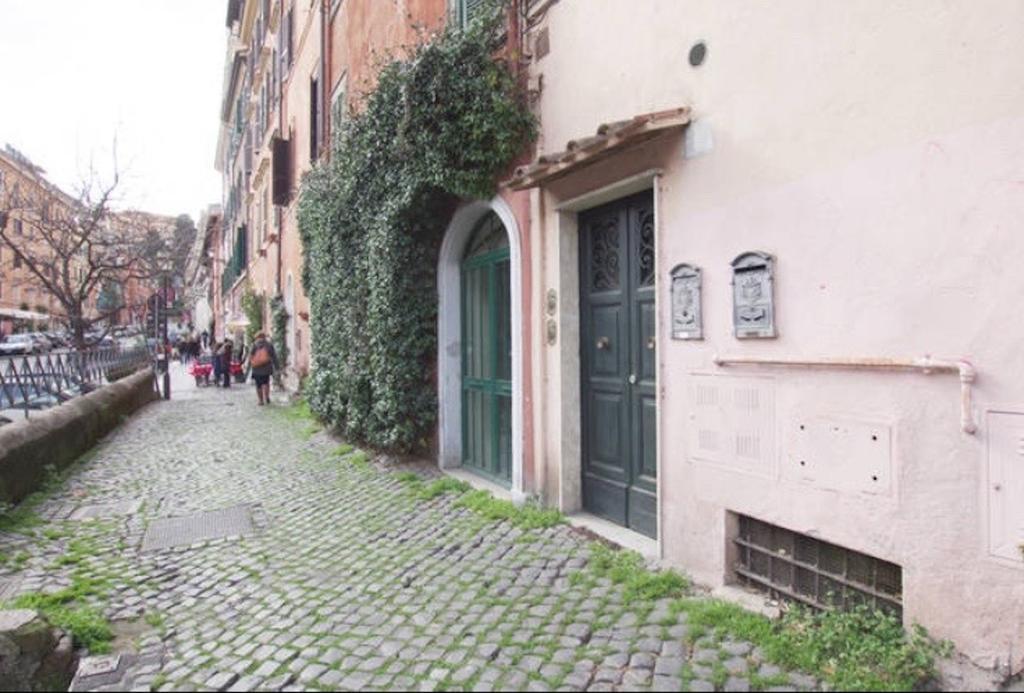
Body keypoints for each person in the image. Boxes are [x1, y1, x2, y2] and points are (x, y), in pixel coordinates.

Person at [248, 332, 279, 406]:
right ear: (264, 337)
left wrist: (250, 366)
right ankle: (267, 397)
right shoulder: (269, 345)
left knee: (258, 385)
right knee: (266, 383)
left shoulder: (254, 345)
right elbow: (274, 356)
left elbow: (250, 356)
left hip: (256, 368)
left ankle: (260, 400)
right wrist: (277, 366)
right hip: (266, 367)